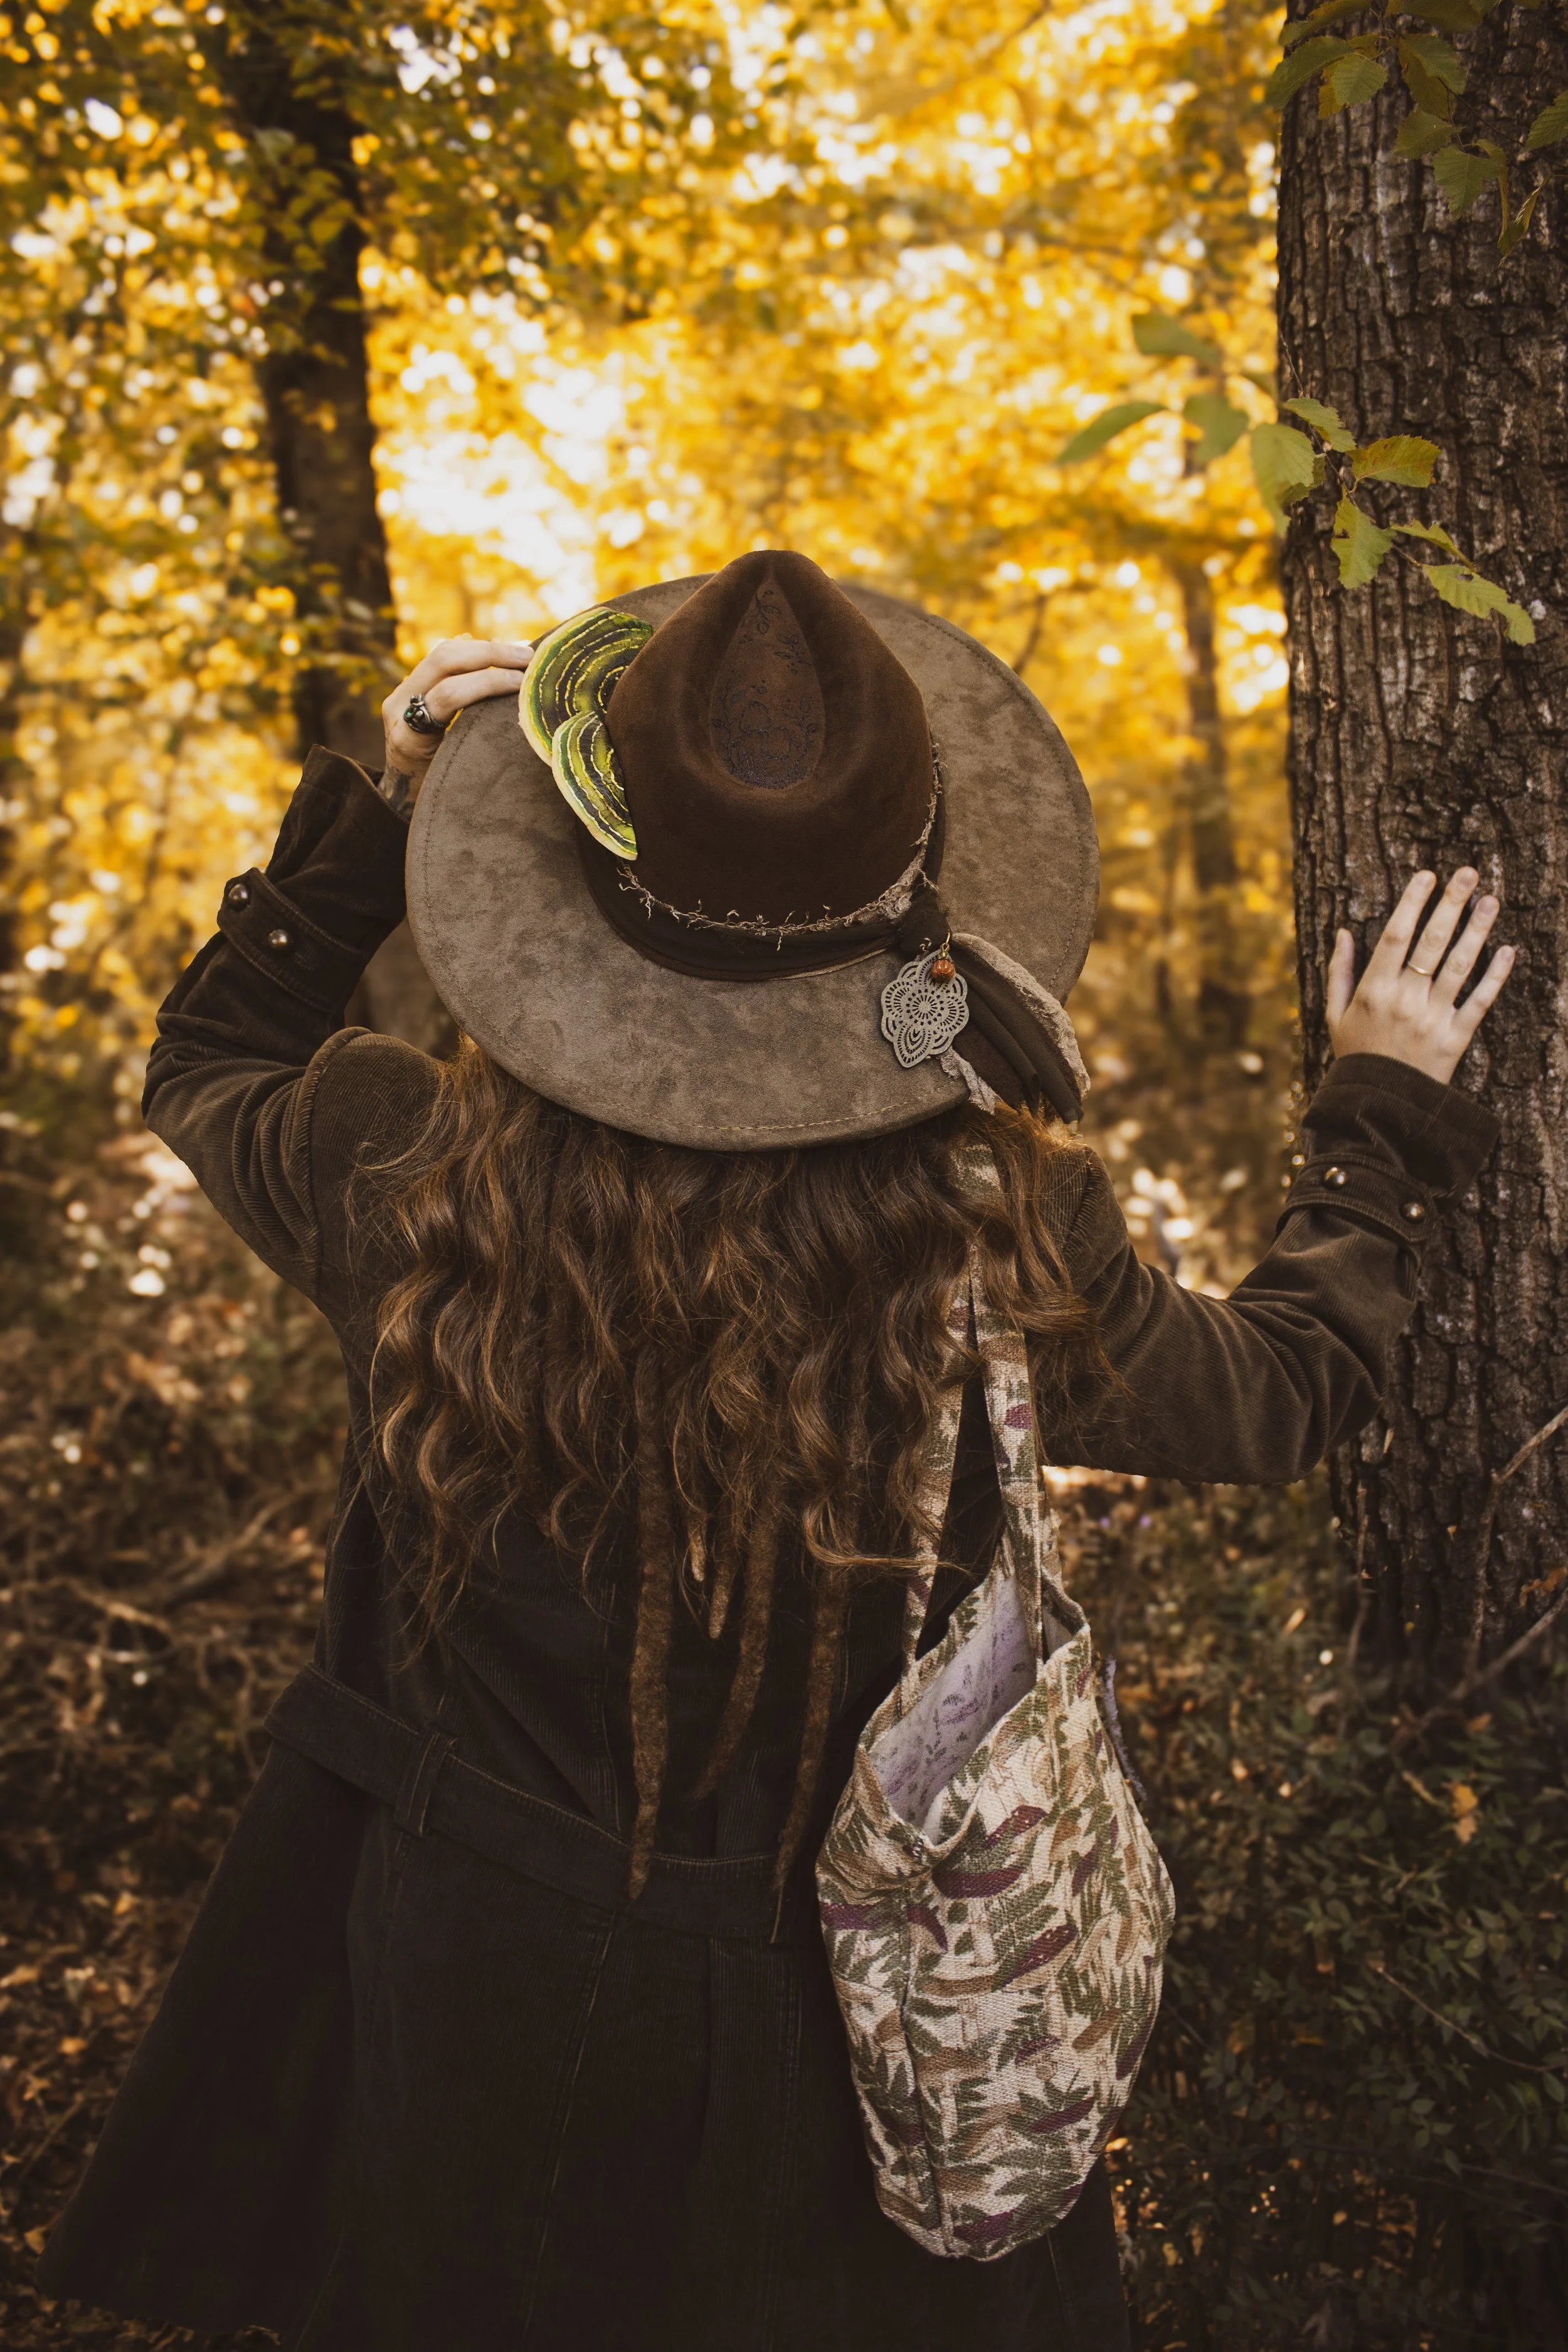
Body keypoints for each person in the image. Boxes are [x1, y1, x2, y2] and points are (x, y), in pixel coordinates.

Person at [39, 553, 1510, 2350]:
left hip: (468, 1969)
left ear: (571, 905)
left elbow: (209, 1050)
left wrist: (390, 802)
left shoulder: (398, 1168)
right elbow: (1281, 1392)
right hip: (860, 2015)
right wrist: (1377, 1111)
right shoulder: (994, 1228)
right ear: (908, 907)